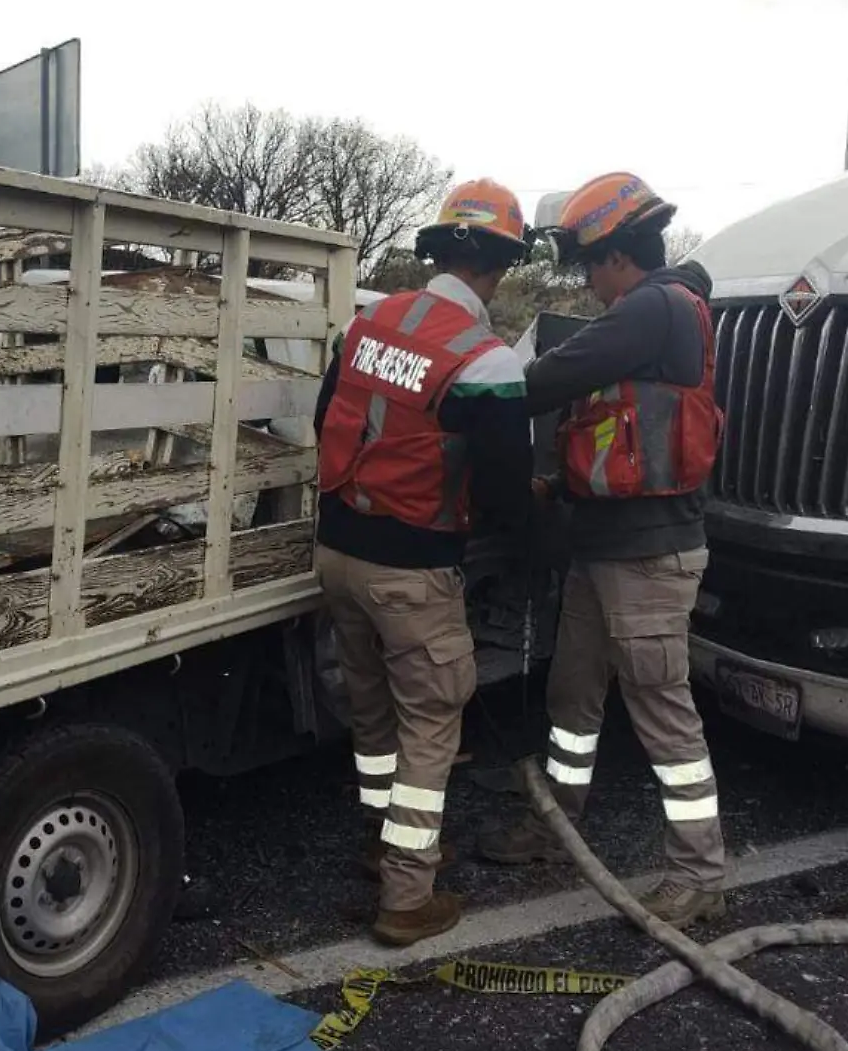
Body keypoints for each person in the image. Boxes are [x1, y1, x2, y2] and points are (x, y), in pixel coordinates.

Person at [473, 172, 729, 929]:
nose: (585, 281)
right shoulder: (648, 314)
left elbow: (549, 378)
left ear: (617, 254)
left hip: (649, 557)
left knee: (663, 715)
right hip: (603, 546)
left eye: (588, 264)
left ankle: (700, 872)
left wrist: (473, 391)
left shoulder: (656, 306)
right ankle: (559, 825)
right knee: (572, 700)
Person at [312, 178, 535, 947]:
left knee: (372, 717)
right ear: (501, 265)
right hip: (412, 571)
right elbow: (508, 492)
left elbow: (326, 420)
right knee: (432, 726)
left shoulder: (370, 320)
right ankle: (408, 896)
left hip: (337, 551)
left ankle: (381, 841)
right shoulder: (486, 358)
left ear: (437, 251)